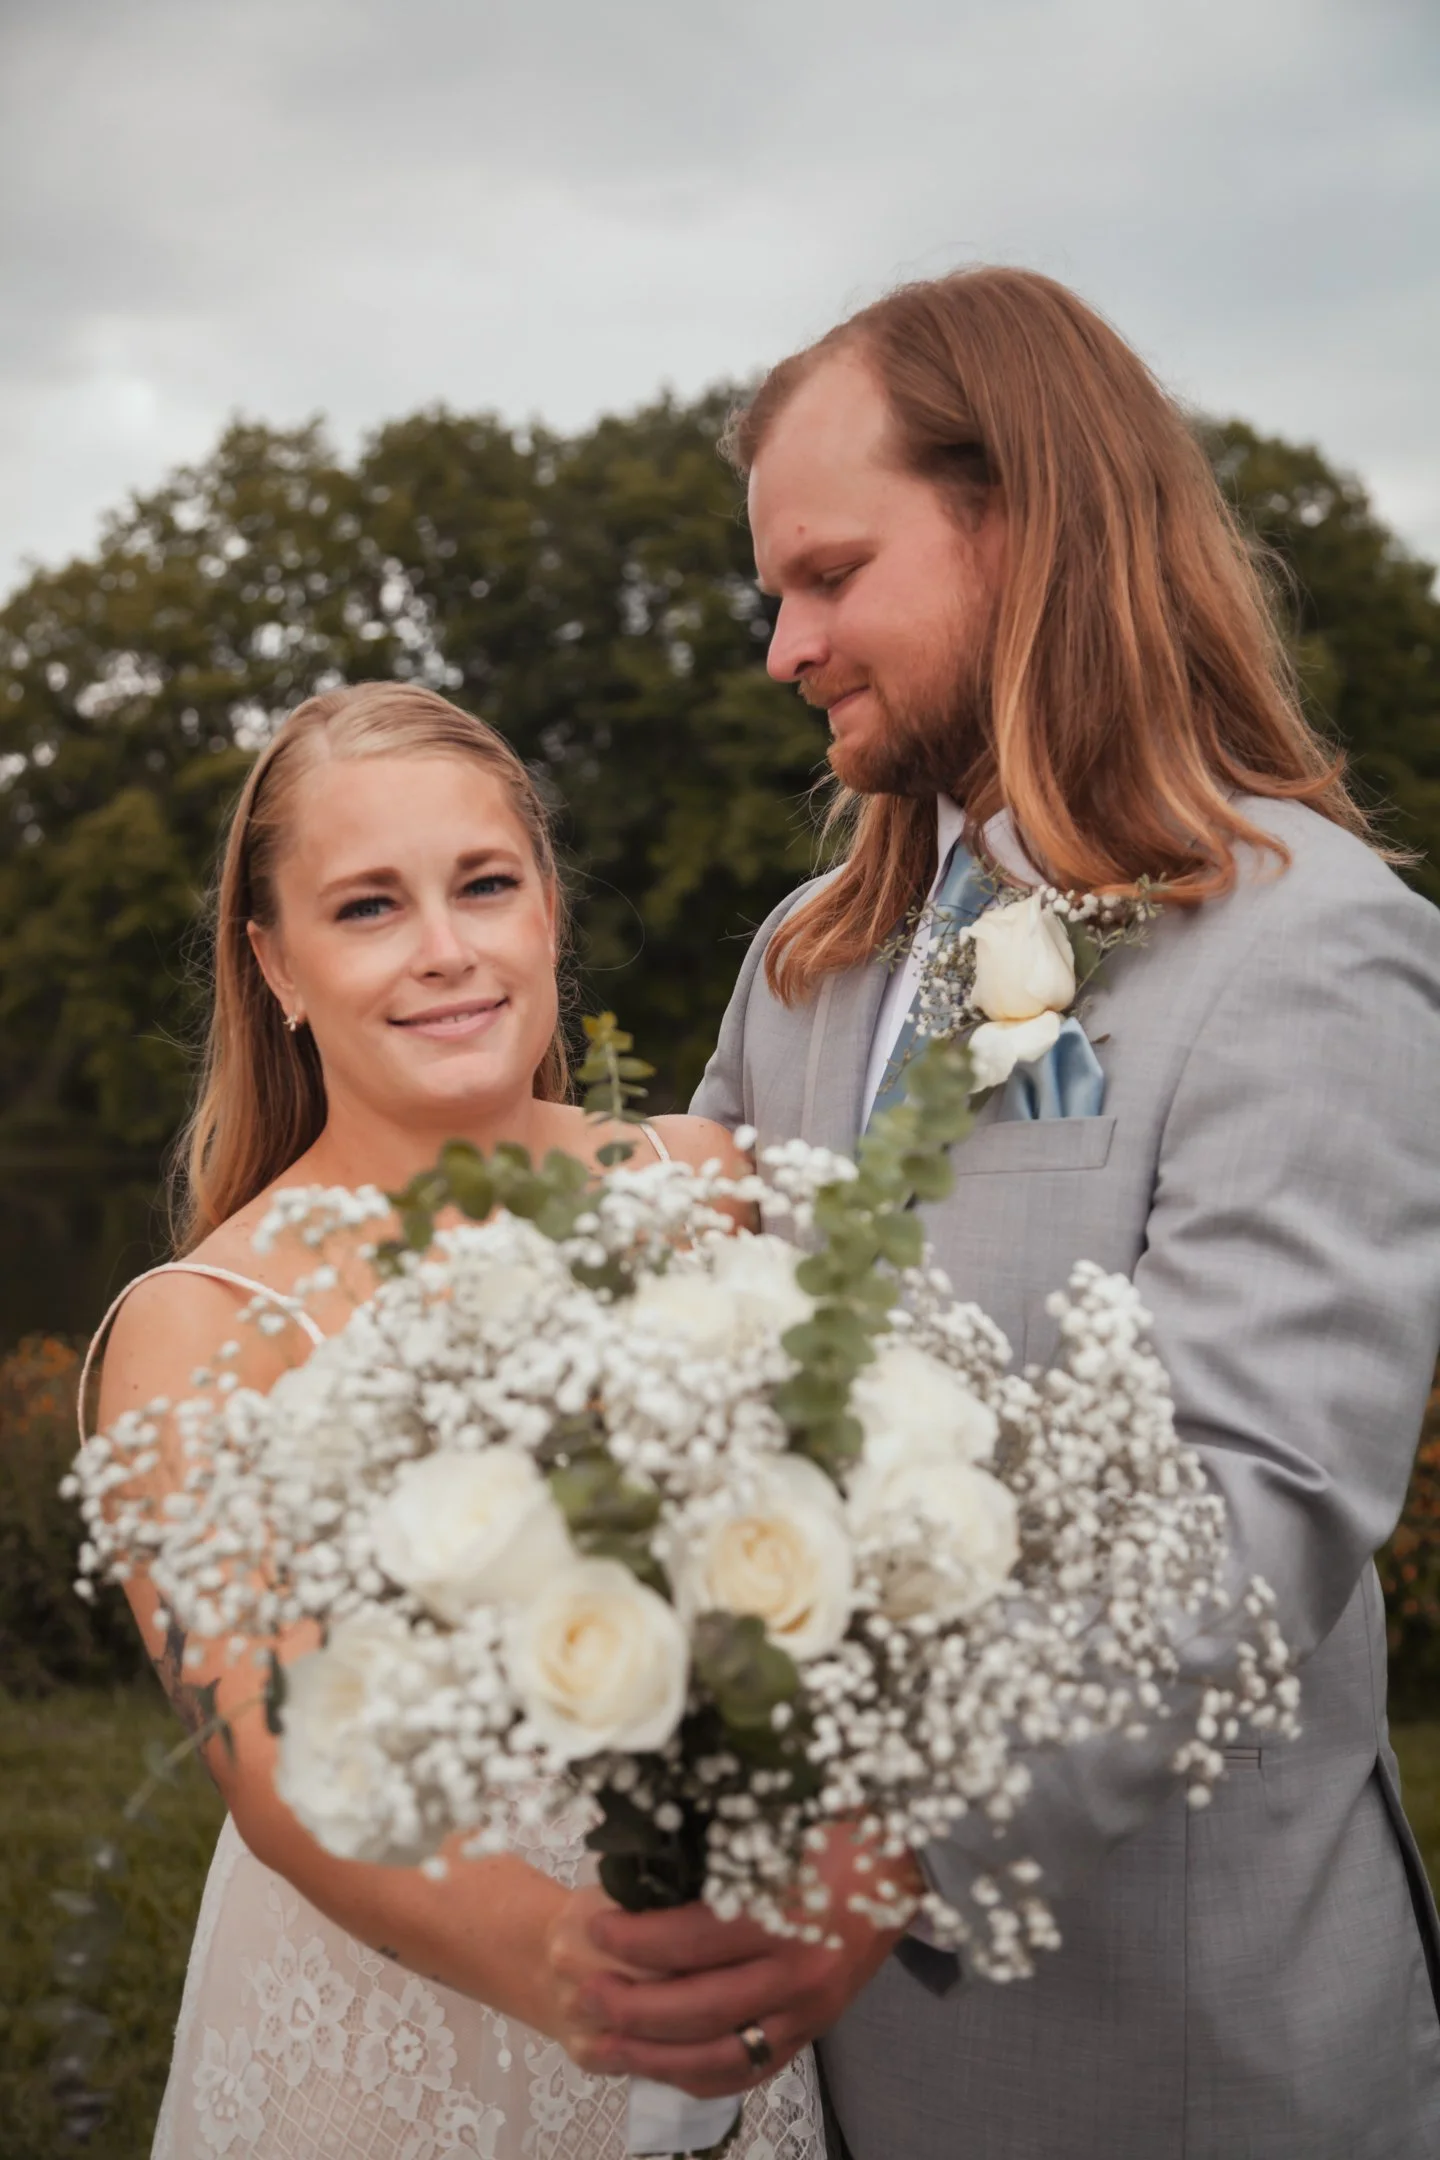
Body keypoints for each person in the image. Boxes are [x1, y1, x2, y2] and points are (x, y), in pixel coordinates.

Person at [577, 268, 1440, 2158]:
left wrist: (888, 1855)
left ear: (1027, 524)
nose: (786, 648)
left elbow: (1249, 1503)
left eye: (829, 576)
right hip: (823, 2079)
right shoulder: (808, 965)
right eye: (772, 594)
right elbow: (678, 1345)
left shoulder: (1311, 943)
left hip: (1174, 2058)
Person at [86, 682, 824, 2160]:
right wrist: (588, 1969)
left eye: (484, 884)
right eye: (368, 907)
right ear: (274, 964)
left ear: (549, 908)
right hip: (379, 2071)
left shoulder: (712, 1188)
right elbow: (278, 1766)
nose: (445, 949)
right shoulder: (199, 1324)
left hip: (739, 2036)